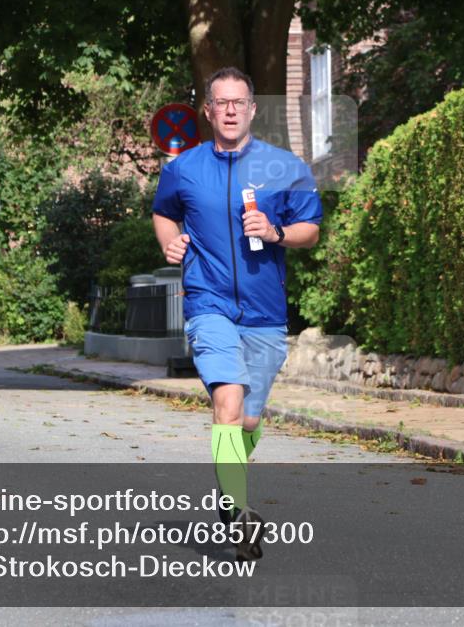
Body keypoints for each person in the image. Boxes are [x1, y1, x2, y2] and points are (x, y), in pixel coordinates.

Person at [152, 67, 322, 561]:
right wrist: (172, 241)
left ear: (252, 110)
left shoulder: (284, 167)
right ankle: (235, 512)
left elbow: (309, 228)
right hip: (208, 302)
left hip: (265, 311)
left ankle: (231, 488)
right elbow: (164, 212)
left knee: (247, 422)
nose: (229, 110)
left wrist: (275, 233)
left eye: (238, 102)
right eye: (220, 103)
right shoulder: (183, 168)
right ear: (208, 112)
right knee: (227, 403)